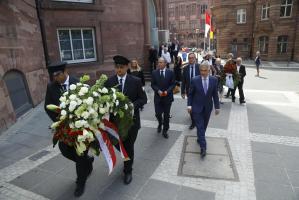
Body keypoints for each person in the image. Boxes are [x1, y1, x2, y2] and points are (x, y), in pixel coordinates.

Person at [44, 62, 94, 197]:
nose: (56, 78)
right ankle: (86, 162)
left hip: (81, 128)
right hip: (64, 128)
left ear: (65, 71)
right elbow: (47, 106)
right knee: (64, 149)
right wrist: (58, 121)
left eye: (58, 74)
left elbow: (89, 106)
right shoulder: (51, 87)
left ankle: (80, 182)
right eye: (53, 76)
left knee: (80, 154)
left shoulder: (78, 84)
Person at [105, 55, 147, 185]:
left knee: (128, 146)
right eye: (117, 67)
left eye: (121, 67)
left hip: (131, 122)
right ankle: (127, 159)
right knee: (118, 144)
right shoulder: (109, 81)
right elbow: (105, 99)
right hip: (115, 123)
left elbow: (143, 99)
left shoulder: (135, 81)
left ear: (127, 67)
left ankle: (128, 170)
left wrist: (131, 106)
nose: (119, 70)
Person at [187, 61, 220, 158]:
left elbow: (215, 94)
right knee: (200, 127)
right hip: (196, 108)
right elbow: (191, 94)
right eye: (201, 70)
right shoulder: (194, 80)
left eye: (205, 70)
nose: (203, 72)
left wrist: (217, 107)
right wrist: (189, 106)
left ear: (209, 70)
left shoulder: (214, 80)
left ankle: (200, 138)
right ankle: (203, 147)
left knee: (204, 126)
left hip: (208, 108)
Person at [151, 57, 176, 139]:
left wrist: (167, 92)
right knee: (158, 113)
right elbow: (153, 84)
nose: (159, 64)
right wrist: (158, 91)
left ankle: (165, 130)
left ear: (165, 63)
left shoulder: (170, 72)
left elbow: (173, 84)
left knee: (166, 115)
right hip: (158, 97)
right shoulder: (154, 72)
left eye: (161, 62)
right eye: (159, 62)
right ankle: (160, 123)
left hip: (167, 97)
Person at [181, 53, 200, 130]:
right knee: (190, 107)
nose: (191, 59)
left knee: (198, 107)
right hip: (189, 92)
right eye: (189, 58)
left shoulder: (199, 67)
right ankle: (193, 122)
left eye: (192, 58)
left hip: (199, 91)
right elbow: (183, 81)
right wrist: (182, 91)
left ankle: (198, 119)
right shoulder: (185, 68)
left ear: (195, 58)